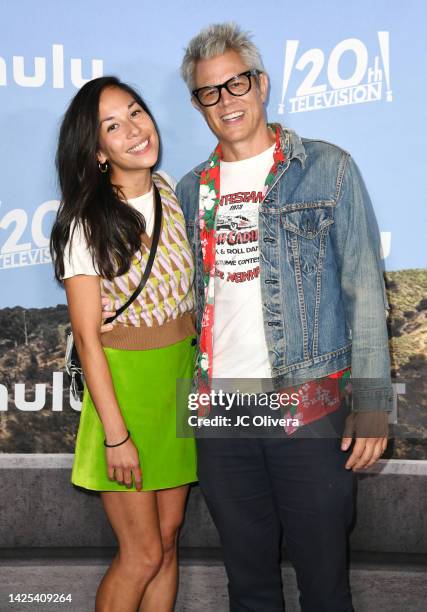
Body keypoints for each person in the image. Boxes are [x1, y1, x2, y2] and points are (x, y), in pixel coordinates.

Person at [174, 23, 393, 612]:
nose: (227, 101)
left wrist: (372, 405)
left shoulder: (329, 169)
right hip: (222, 408)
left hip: (310, 402)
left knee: (324, 585)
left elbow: (364, 291)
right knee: (247, 587)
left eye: (236, 83)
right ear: (198, 105)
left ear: (261, 83)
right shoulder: (191, 190)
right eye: (209, 92)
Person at [50, 76, 197, 612]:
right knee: (140, 553)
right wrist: (116, 436)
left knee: (170, 538)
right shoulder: (84, 224)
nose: (135, 129)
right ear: (96, 151)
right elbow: (88, 339)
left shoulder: (174, 193)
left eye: (136, 112)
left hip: (177, 383)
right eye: (114, 125)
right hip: (125, 393)